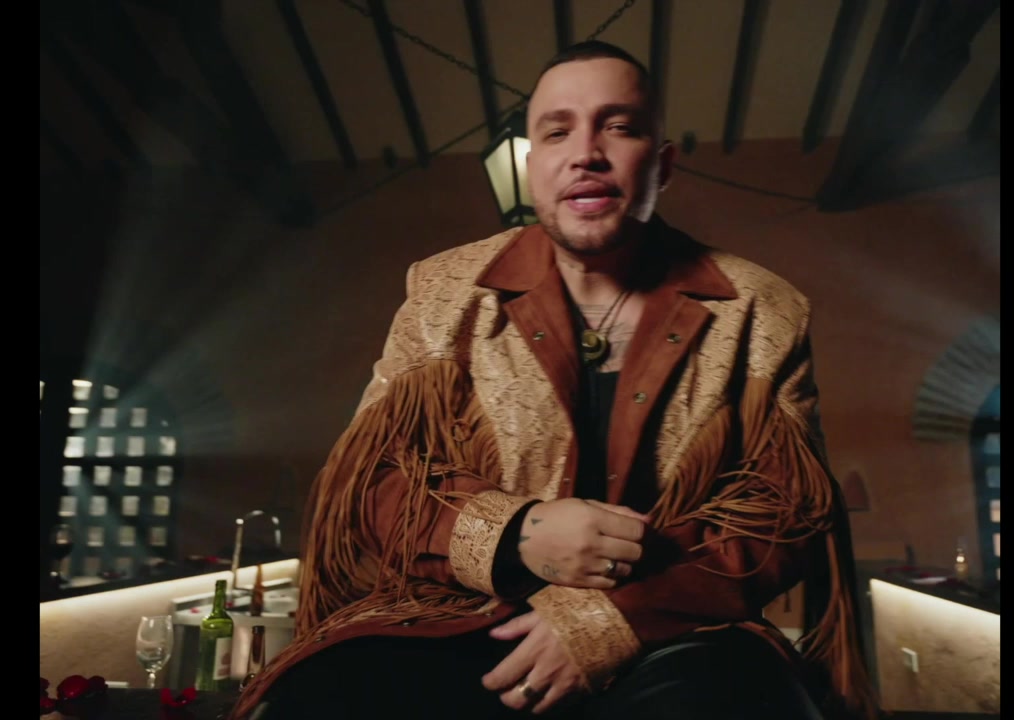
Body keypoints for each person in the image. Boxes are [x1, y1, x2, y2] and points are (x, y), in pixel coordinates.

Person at [231, 41, 879, 720]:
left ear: (662, 164)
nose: (586, 153)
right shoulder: (443, 291)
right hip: (457, 615)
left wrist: (609, 617)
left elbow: (787, 517)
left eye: (619, 126)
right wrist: (517, 532)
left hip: (676, 630)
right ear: (532, 165)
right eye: (557, 131)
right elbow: (372, 484)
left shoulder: (762, 309)